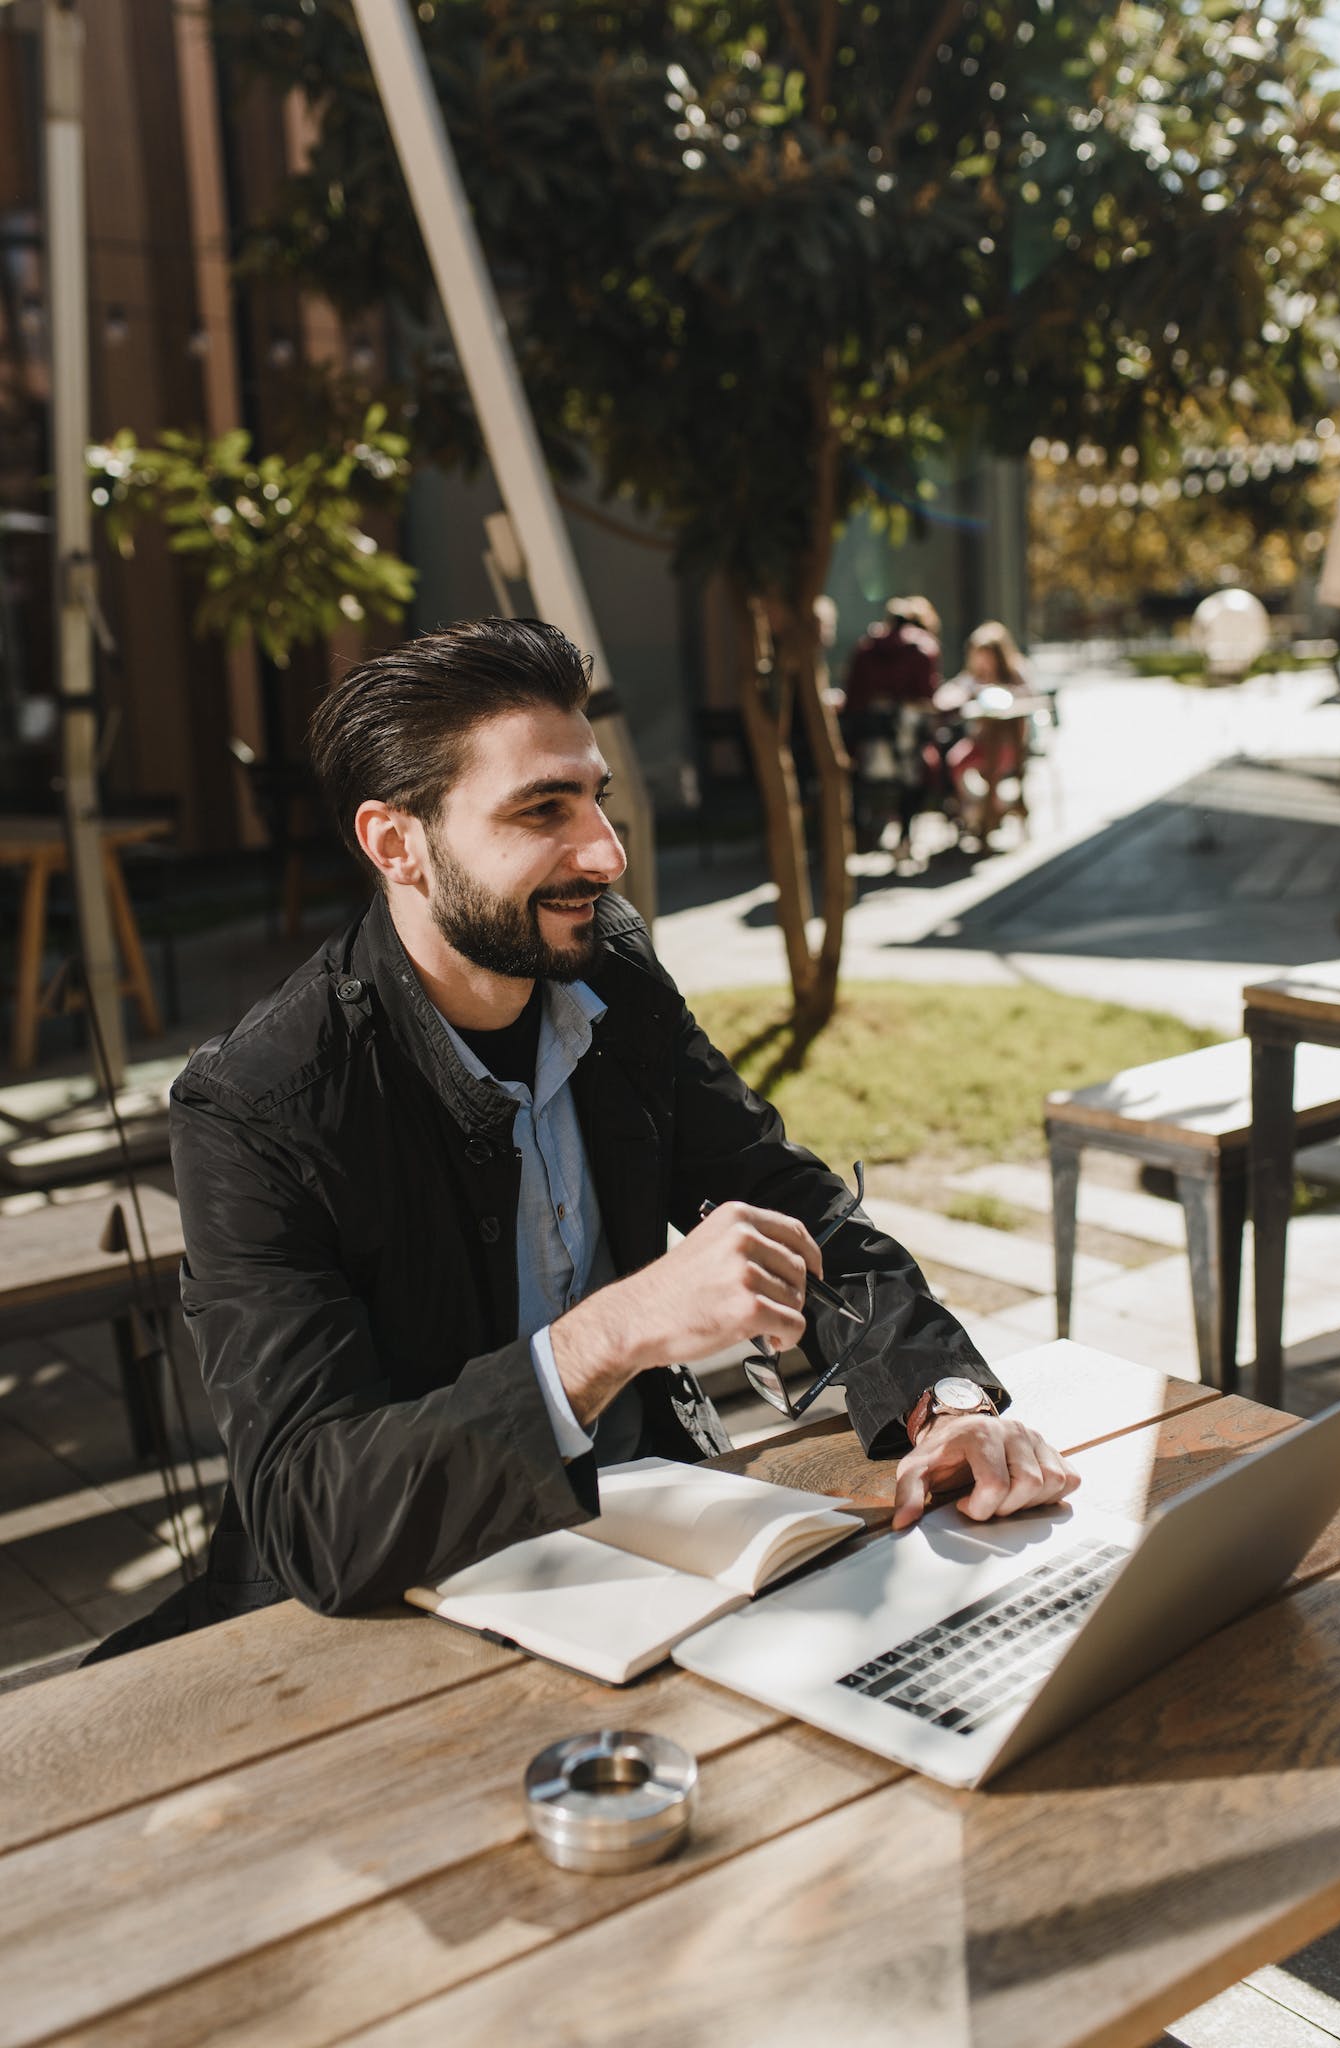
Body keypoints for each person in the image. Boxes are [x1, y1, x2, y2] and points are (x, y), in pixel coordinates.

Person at [88, 618, 1076, 1658]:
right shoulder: (256, 1105)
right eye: (540, 810)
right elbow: (312, 1511)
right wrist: (610, 1334)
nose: (603, 851)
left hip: (661, 1549)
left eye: (594, 796)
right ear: (396, 843)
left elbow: (785, 1198)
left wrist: (945, 1398)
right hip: (397, 1618)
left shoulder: (604, 964)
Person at [838, 596, 945, 861]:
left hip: (867, 743)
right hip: (906, 742)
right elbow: (927, 696)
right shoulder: (922, 647)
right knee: (919, 773)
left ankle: (864, 832)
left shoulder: (866, 647)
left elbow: (852, 695)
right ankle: (904, 839)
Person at [936, 620, 1035, 842]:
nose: (983, 661)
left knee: (991, 768)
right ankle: (985, 809)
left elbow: (1029, 697)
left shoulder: (1015, 674)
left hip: (1010, 744)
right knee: (956, 761)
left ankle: (993, 810)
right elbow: (949, 693)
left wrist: (999, 692)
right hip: (979, 743)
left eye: (987, 655)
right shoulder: (972, 677)